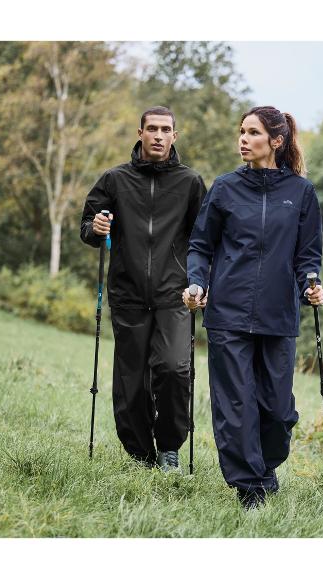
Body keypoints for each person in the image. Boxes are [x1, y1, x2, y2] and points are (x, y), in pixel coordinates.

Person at [183, 106, 323, 509]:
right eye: (241, 132)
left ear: (276, 141)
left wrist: (311, 285)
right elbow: (201, 245)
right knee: (235, 405)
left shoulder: (301, 193)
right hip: (227, 313)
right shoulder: (226, 188)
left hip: (278, 316)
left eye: (252, 133)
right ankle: (249, 488)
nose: (243, 139)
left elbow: (308, 256)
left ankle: (265, 467)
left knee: (278, 411)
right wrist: (197, 281)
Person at [80, 106, 207, 472]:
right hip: (128, 293)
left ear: (174, 136)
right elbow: (88, 225)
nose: (158, 135)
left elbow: (204, 239)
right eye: (151, 128)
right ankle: (140, 453)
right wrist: (96, 229)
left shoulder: (190, 182)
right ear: (139, 132)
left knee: (172, 368)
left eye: (165, 129)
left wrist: (203, 281)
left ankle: (169, 447)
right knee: (131, 380)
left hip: (174, 294)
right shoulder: (115, 180)